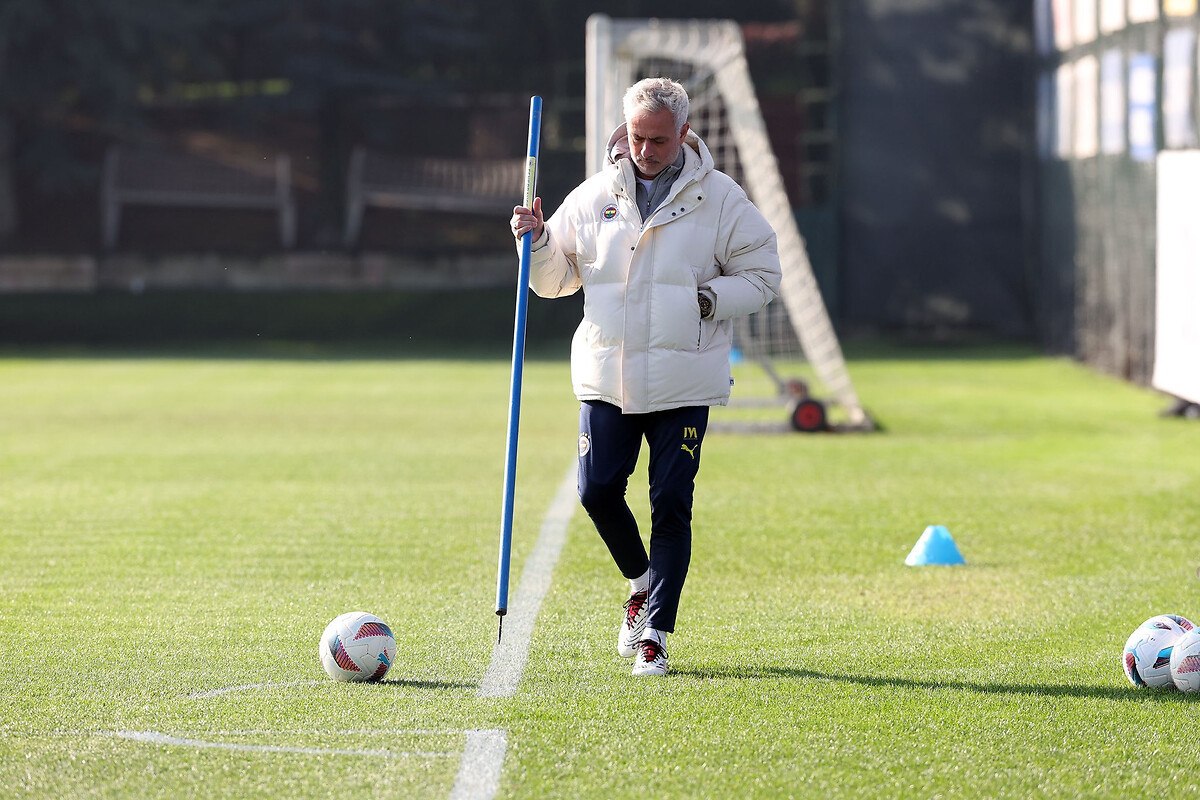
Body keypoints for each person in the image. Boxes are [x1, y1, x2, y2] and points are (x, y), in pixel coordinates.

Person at [510, 77, 781, 676]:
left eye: (658, 139)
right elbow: (556, 281)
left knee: (670, 505)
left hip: (685, 382)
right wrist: (536, 242)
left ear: (684, 134)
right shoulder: (594, 195)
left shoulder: (722, 198)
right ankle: (640, 585)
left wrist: (707, 301)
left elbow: (763, 275)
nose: (646, 150)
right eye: (637, 137)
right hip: (608, 376)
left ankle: (655, 634)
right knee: (596, 491)